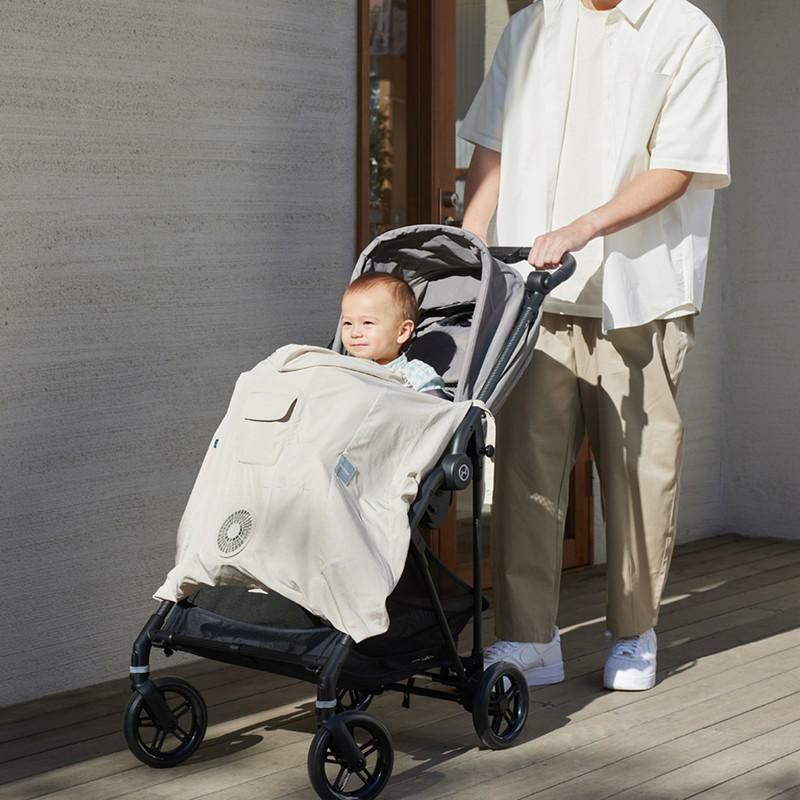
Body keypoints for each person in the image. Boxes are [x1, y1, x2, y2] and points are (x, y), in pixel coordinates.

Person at [459, 0, 730, 691]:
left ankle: (635, 633)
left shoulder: (686, 33)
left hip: (639, 293)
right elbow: (492, 146)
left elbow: (677, 168)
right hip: (535, 293)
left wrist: (582, 229)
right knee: (525, 473)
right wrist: (469, 242)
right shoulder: (529, 28)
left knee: (638, 472)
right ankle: (529, 639)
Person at [340, 272, 446, 394]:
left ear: (402, 332)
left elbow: (435, 404)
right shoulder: (342, 368)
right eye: (348, 323)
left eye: (367, 322)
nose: (354, 333)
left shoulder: (414, 374)